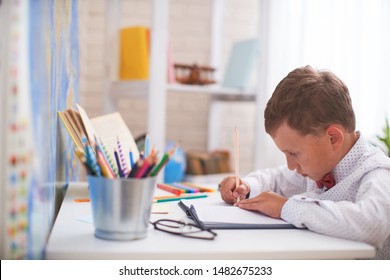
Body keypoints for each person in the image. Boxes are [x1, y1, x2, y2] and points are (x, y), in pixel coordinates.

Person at [219, 65, 390, 259]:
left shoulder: (378, 172)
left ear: (333, 138)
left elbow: (373, 225)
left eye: (294, 153)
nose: (291, 165)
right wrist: (247, 186)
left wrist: (286, 207)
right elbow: (278, 179)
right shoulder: (321, 164)